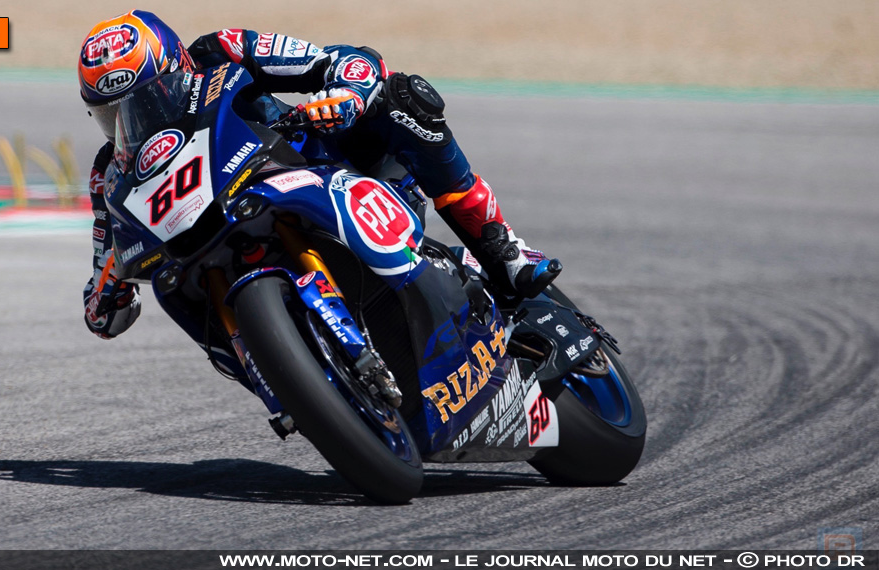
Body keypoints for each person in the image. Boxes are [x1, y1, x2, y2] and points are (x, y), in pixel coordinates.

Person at [78, 10, 560, 339]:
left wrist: (345, 97)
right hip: (220, 232)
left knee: (401, 98)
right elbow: (106, 308)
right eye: (111, 114)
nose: (132, 121)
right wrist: (108, 288)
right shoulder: (111, 175)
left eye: (147, 97)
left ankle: (502, 248)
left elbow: (346, 61)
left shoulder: (223, 51)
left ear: (178, 65)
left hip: (330, 168)